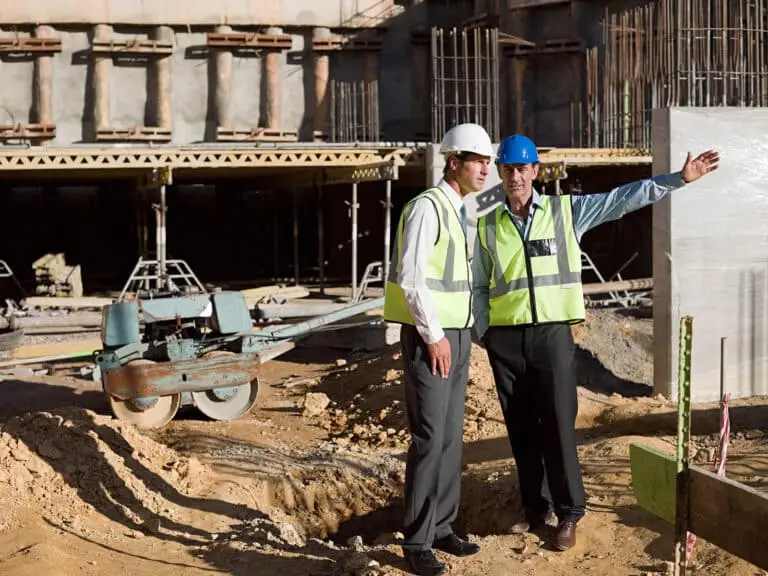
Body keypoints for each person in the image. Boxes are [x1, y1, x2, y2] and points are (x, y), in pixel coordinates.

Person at [471, 134, 719, 552]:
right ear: (500, 172)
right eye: (508, 168)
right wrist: (485, 333)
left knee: (557, 427)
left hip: (552, 337)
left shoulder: (565, 212)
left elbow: (623, 198)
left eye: (523, 167)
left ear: (535, 171)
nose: (515, 175)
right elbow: (478, 284)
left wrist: (678, 179)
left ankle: (569, 514)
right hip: (506, 342)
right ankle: (535, 511)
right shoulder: (486, 225)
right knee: (521, 431)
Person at [383, 123, 494, 576]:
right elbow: (411, 279)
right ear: (454, 162)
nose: (486, 169)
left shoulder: (462, 209)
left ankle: (443, 525)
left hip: (459, 333)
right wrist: (433, 335)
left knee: (450, 437)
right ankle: (417, 540)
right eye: (478, 161)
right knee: (430, 438)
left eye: (489, 162)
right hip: (434, 336)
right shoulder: (427, 208)